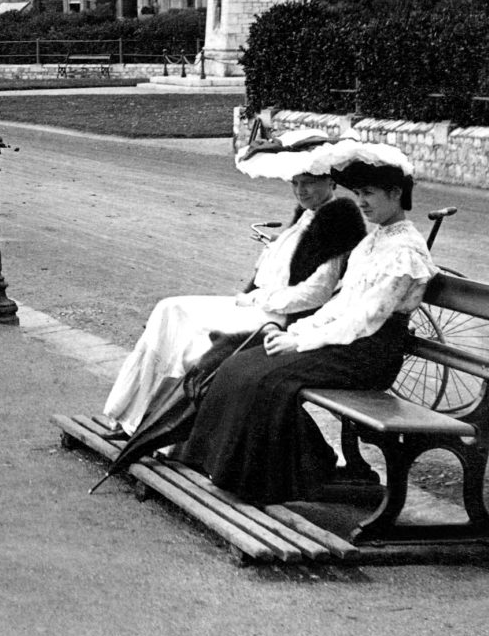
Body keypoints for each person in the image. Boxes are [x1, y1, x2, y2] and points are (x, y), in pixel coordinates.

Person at [176, 142, 436, 505]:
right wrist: (296, 331)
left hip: (369, 353)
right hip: (347, 342)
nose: (361, 202)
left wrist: (299, 343)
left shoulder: (404, 250)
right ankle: (263, 467)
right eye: (357, 193)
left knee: (265, 377)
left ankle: (276, 477)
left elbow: (364, 319)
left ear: (396, 194)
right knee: (240, 365)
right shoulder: (374, 241)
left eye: (370, 194)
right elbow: (341, 304)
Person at [100, 131, 366, 437]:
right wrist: (255, 287)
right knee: (168, 309)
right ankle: (129, 414)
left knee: (189, 335)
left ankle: (152, 428)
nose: (300, 190)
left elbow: (317, 292)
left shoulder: (338, 219)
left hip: (279, 318)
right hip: (259, 303)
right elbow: (278, 267)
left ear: (330, 182)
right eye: (295, 183)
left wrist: (264, 300)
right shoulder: (307, 215)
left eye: (308, 182)